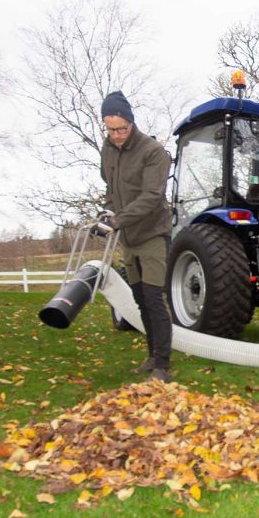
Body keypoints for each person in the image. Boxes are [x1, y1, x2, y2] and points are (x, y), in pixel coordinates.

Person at [99, 90, 174, 382]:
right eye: (110, 129)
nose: (116, 135)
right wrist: (107, 214)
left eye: (121, 128)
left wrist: (118, 220)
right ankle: (152, 354)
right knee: (140, 298)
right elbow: (110, 188)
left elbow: (152, 197)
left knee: (155, 298)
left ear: (131, 122)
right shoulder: (107, 149)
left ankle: (163, 366)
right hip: (128, 238)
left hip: (153, 234)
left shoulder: (153, 152)